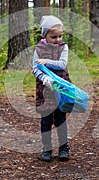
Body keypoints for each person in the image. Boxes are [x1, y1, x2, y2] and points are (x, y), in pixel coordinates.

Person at [32, 15, 70, 162]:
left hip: (61, 88)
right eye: (54, 36)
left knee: (61, 119)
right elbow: (35, 68)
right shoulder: (39, 49)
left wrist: (46, 61)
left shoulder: (63, 47)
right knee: (46, 120)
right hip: (45, 90)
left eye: (60, 36)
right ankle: (46, 149)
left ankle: (64, 148)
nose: (58, 39)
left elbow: (62, 64)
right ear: (45, 35)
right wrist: (44, 78)